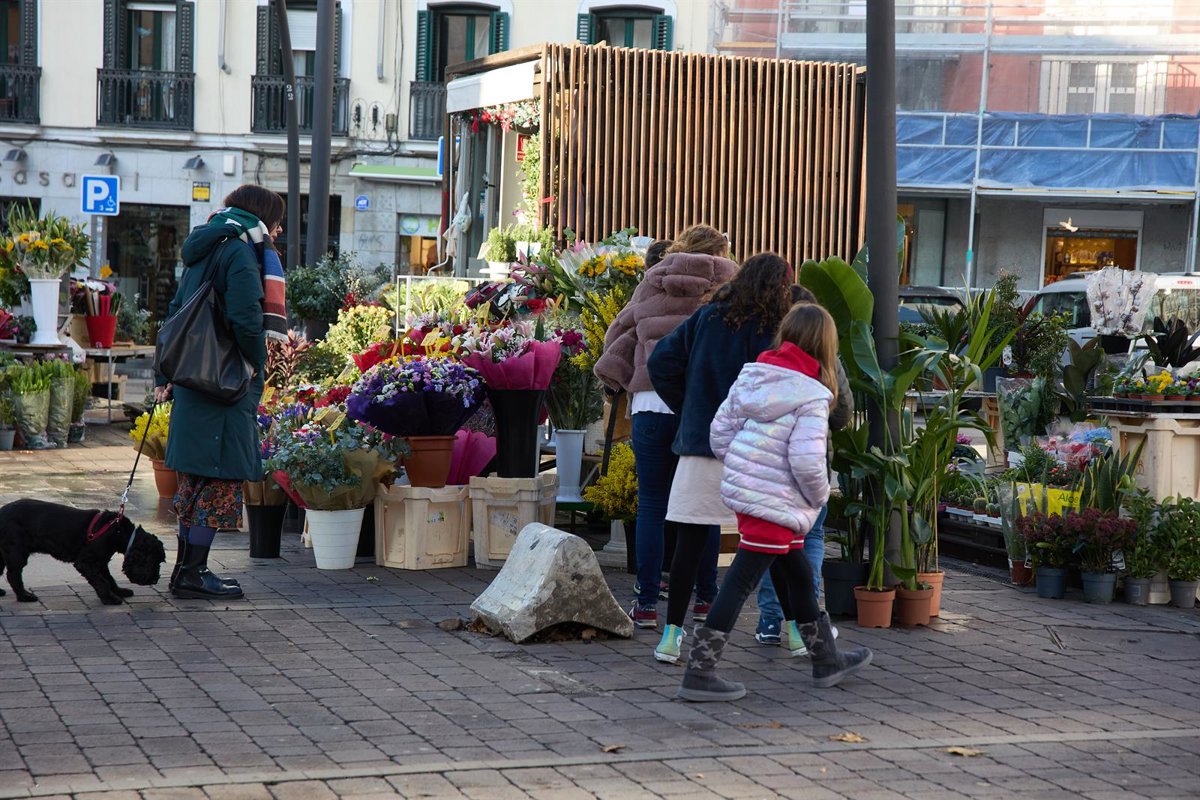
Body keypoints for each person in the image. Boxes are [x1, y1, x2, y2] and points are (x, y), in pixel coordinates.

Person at [676, 303, 873, 701]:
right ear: (825, 346)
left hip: (755, 497)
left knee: (796, 574)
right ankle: (699, 671)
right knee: (739, 582)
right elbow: (807, 462)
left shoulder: (754, 376)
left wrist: (747, 469)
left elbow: (719, 432)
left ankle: (826, 659)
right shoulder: (812, 394)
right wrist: (819, 498)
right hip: (778, 502)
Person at [646, 253, 795, 664]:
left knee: (688, 546)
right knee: (777, 544)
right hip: (756, 450)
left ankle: (670, 637)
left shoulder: (707, 317)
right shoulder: (775, 327)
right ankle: (797, 632)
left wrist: (689, 408)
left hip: (701, 445)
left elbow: (660, 362)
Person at [595, 227, 737, 630]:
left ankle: (645, 605)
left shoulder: (653, 281)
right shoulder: (729, 287)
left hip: (650, 403)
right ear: (721, 251)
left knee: (653, 504)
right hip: (702, 408)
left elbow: (617, 334)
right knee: (703, 507)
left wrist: (618, 375)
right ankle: (706, 599)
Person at [156, 184, 287, 600]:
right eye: (277, 222)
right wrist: (255, 364)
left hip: (194, 376)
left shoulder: (207, 245)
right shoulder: (241, 252)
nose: (278, 231)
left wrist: (164, 372)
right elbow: (247, 318)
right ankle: (194, 572)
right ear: (263, 216)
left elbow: (176, 310)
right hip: (225, 382)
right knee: (217, 481)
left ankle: (184, 571)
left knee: (194, 481)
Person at [755, 284, 854, 651]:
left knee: (771, 543)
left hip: (772, 466)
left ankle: (770, 620)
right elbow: (843, 412)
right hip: (814, 463)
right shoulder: (828, 360)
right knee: (810, 538)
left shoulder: (769, 355)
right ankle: (806, 619)